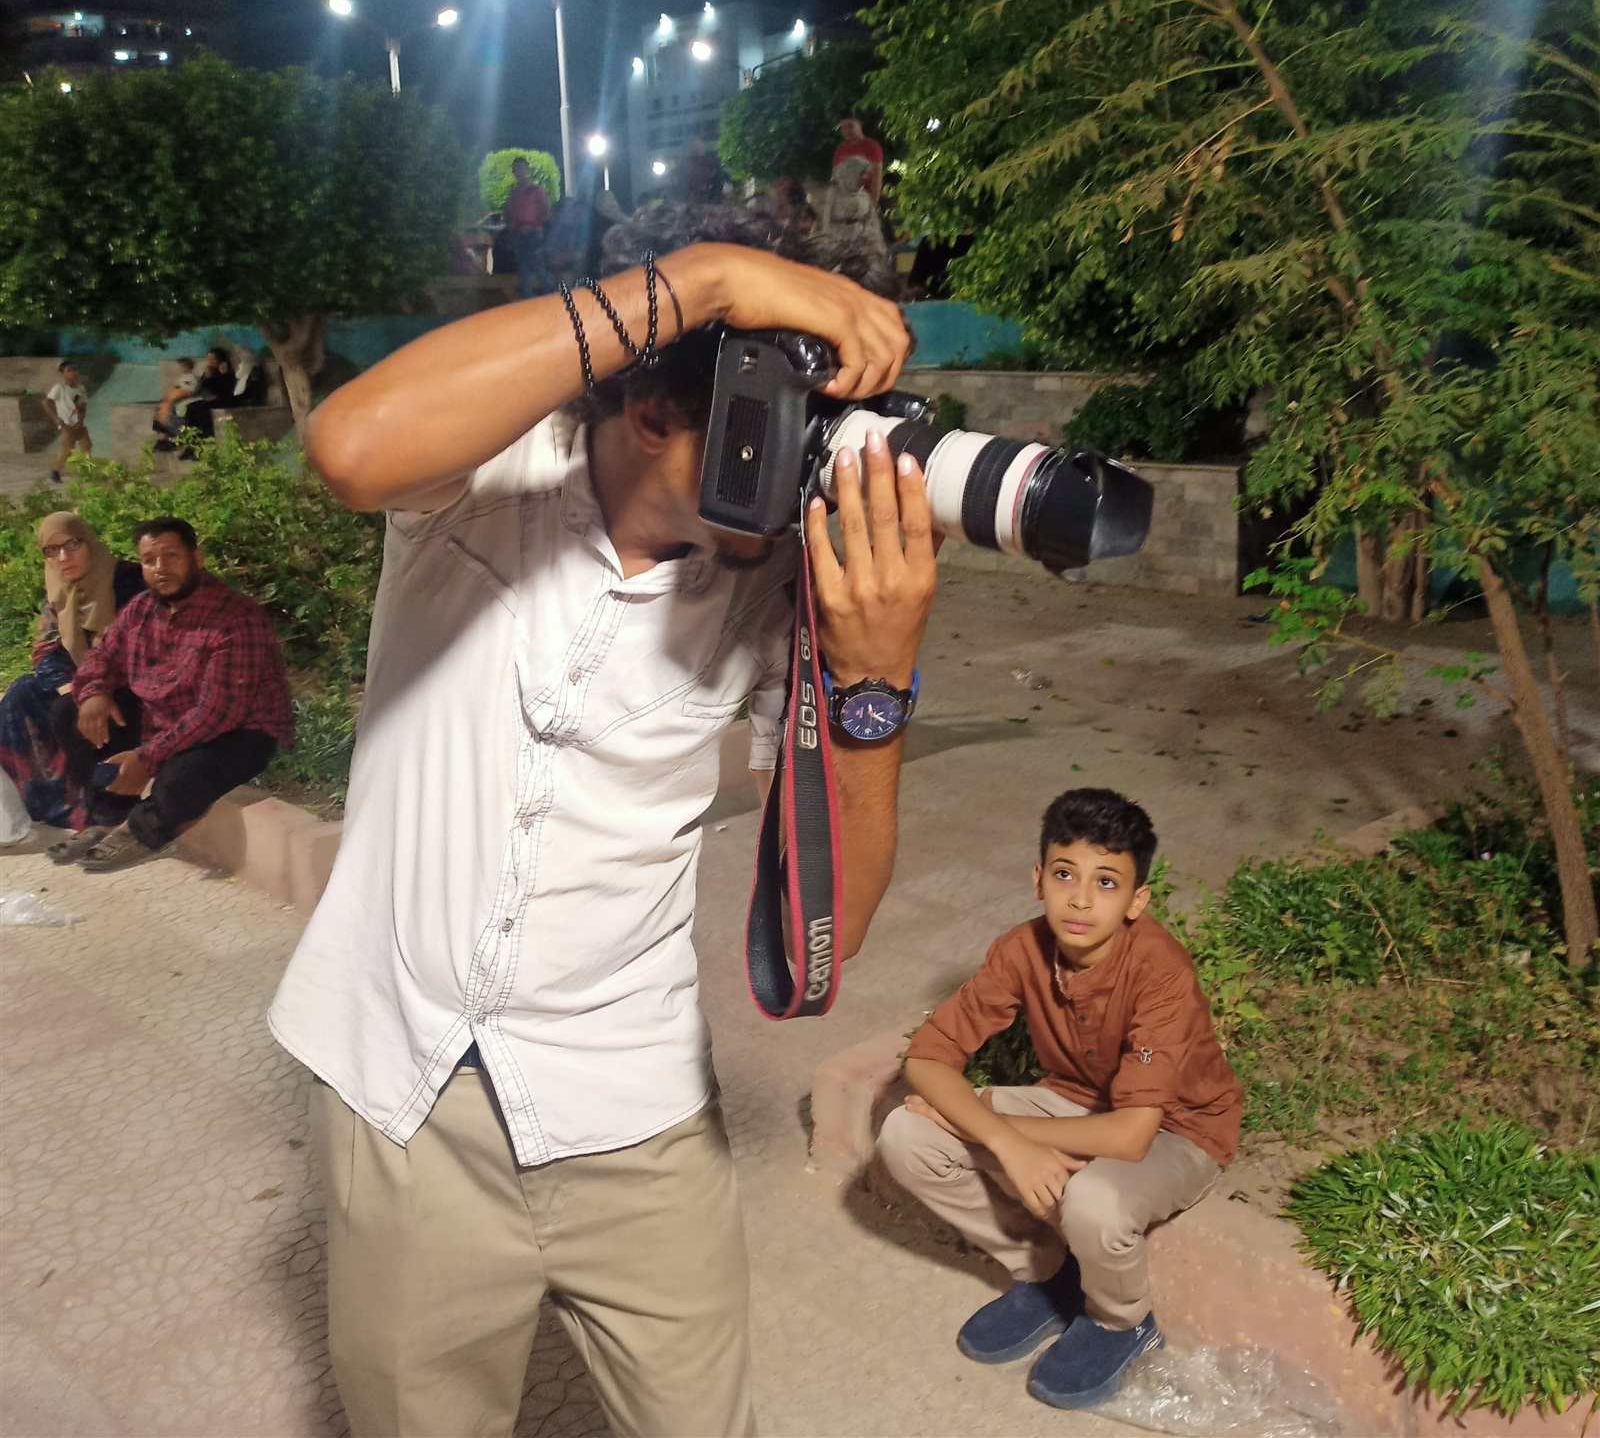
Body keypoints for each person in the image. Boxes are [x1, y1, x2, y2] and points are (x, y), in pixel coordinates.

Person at [268, 202, 934, 1438]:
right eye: (786, 425)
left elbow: (828, 921)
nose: (810, 472)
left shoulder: (786, 587)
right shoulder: (490, 470)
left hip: (635, 1110)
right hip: (402, 1088)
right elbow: (350, 446)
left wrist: (874, 683)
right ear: (657, 410)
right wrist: (713, 278)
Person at [877, 787, 1243, 1412]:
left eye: (1107, 883)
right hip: (1075, 1101)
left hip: (1178, 1130)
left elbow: (1131, 1134)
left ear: (1137, 901)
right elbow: (929, 1058)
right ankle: (1047, 1273)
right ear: (1038, 878)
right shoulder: (1022, 948)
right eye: (1065, 874)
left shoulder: (1161, 973)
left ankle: (1121, 1323)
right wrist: (1002, 1139)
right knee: (906, 1136)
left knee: (1094, 1201)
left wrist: (993, 1126)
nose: (1080, 899)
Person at [45, 517, 294, 875]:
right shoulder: (141, 609)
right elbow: (102, 658)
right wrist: (95, 692)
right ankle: (107, 817)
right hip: (163, 718)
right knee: (68, 712)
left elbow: (218, 711)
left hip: (238, 730)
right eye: (149, 560)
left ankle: (142, 829)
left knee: (179, 779)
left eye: (171, 556)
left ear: (197, 558)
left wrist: (148, 757)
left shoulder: (236, 618)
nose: (160, 568)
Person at [0, 514, 145, 829]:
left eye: (72, 544)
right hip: (85, 684)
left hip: (133, 686)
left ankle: (107, 799)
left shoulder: (131, 582)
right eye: (52, 550)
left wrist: (92, 691)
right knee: (23, 693)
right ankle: (55, 799)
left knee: (68, 711)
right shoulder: (58, 595)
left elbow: (139, 650)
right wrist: (70, 687)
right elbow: (45, 652)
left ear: (89, 542)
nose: (63, 557)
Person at [504, 156, 552, 300]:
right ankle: (529, 300)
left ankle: (550, 297)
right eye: (516, 170)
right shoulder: (514, 193)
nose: (519, 172)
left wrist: (531, 224)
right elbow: (509, 213)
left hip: (533, 234)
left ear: (528, 171)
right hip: (518, 234)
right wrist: (513, 226)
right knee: (524, 270)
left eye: (521, 169)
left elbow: (547, 213)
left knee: (538, 267)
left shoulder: (536, 191)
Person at [43, 360, 91, 483]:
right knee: (68, 449)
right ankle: (55, 470)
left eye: (74, 369)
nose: (73, 373)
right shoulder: (60, 388)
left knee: (87, 445)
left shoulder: (81, 388)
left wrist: (81, 420)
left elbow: (83, 406)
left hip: (78, 424)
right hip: (66, 424)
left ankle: (86, 470)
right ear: (62, 374)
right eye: (69, 370)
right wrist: (56, 418)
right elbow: (46, 402)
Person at [833, 116, 883, 205]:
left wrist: (873, 203)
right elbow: (835, 176)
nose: (847, 131)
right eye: (843, 128)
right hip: (844, 200)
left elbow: (877, 177)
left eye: (850, 126)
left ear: (860, 125)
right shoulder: (840, 149)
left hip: (864, 199)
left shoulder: (872, 146)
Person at [676, 137, 726, 203]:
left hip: (710, 195)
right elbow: (682, 182)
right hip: (691, 197)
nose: (697, 149)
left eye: (700, 146)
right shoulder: (684, 165)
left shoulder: (710, 162)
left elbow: (718, 177)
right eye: (695, 147)